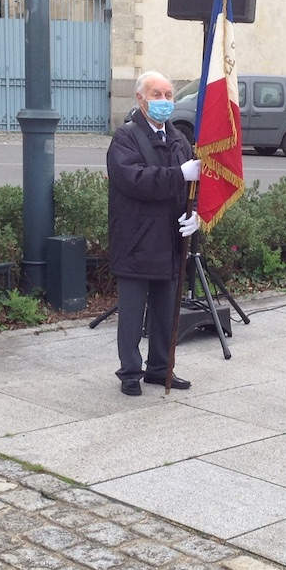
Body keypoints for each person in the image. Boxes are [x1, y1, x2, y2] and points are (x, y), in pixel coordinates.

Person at [107, 71, 201, 396]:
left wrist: (197, 214)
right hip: (136, 240)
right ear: (140, 99)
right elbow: (135, 180)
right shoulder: (125, 138)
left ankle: (161, 369)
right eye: (157, 95)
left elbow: (192, 186)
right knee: (132, 315)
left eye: (169, 95)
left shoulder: (179, 140)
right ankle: (130, 372)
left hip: (170, 240)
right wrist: (179, 174)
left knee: (165, 312)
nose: (164, 101)